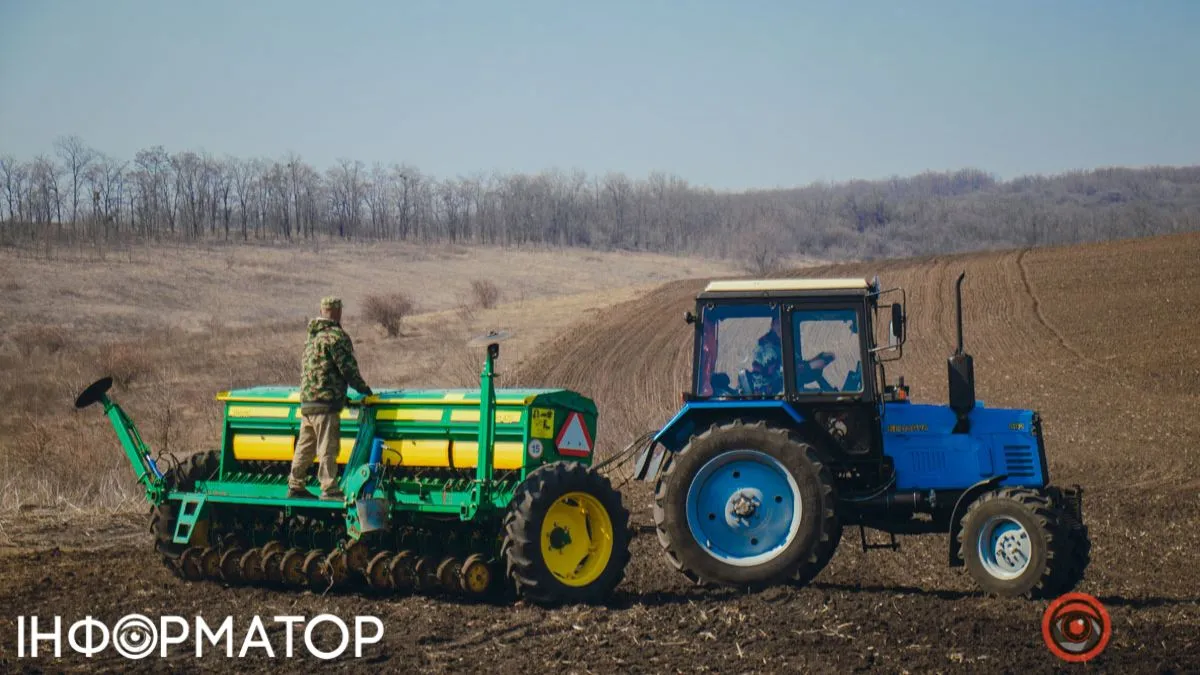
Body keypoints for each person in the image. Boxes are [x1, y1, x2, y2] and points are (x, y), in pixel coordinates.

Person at [288, 296, 373, 500]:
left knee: (305, 445)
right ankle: (329, 488)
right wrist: (364, 390)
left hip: (308, 402)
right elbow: (348, 369)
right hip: (326, 403)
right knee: (328, 445)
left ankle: (295, 484)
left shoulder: (312, 337)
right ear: (338, 312)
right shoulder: (336, 337)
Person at [745, 313, 783, 395]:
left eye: (783, 323)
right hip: (771, 393)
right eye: (778, 323)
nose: (781, 327)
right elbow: (758, 372)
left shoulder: (786, 345)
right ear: (772, 325)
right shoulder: (764, 348)